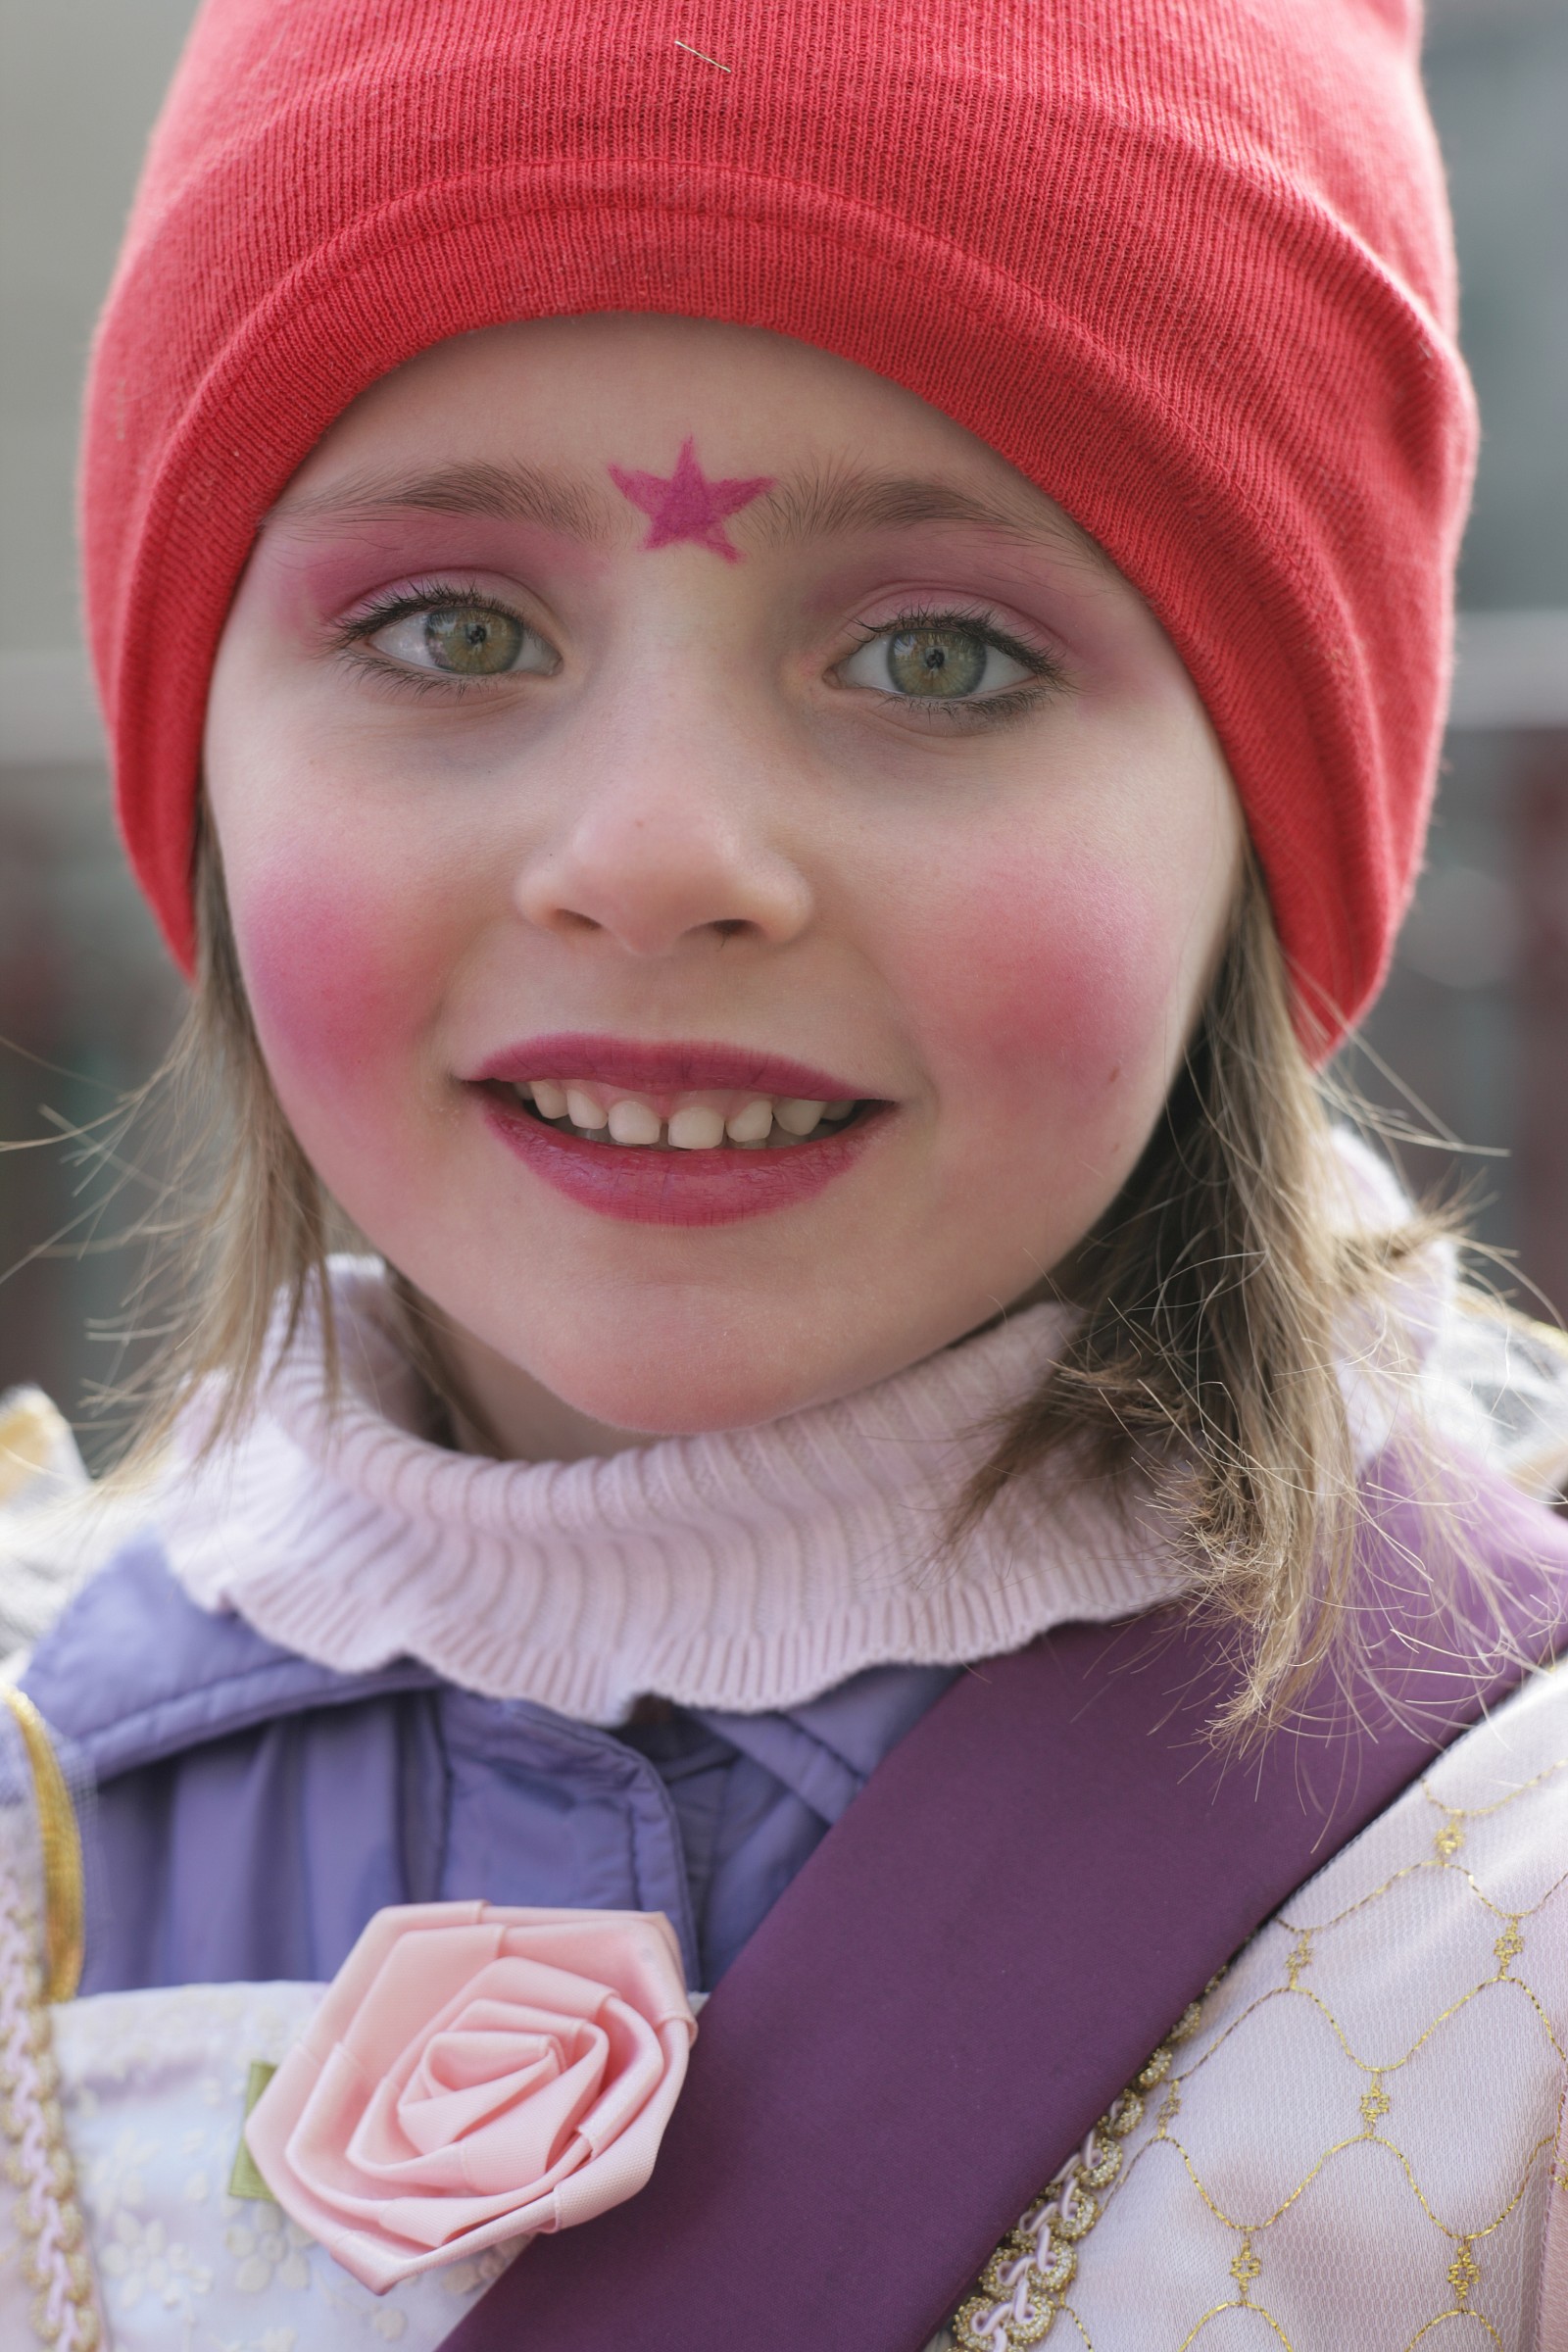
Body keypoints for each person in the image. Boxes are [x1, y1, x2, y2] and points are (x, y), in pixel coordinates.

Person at [4, 0, 1568, 2345]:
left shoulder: (1497, 1905)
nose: (655, 861)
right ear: (200, 751)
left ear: (1266, 815)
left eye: (936, 656)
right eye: (450, 628)